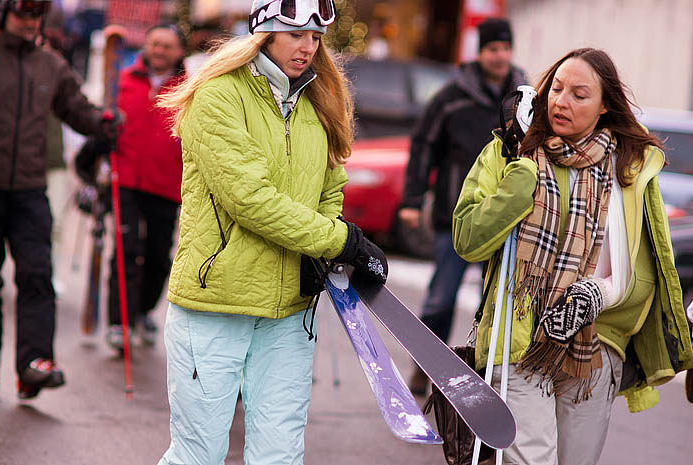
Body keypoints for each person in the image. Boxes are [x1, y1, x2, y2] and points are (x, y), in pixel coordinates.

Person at [154, 0, 387, 463]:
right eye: (296, 35)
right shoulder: (219, 95)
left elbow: (330, 185)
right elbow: (249, 200)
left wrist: (328, 245)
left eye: (317, 38)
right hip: (216, 302)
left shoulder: (317, 99)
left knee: (279, 454)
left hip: (288, 312)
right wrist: (338, 240)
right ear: (265, 32)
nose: (308, 47)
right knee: (199, 454)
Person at [453, 48, 693, 465]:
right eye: (556, 89)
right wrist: (520, 180)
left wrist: (595, 296)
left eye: (579, 94)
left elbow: (647, 277)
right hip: (520, 337)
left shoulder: (630, 172)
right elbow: (468, 240)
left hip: (595, 349)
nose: (561, 101)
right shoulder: (513, 151)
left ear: (605, 107)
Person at [0, 0, 117, 399]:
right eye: (22, 15)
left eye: (35, 16)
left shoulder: (51, 65)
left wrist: (104, 122)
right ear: (2, 14)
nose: (29, 23)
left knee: (37, 275)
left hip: (29, 189)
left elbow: (76, 109)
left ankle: (34, 364)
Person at [398, 17, 527, 395]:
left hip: (506, 218)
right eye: (492, 49)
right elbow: (424, 146)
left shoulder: (524, 98)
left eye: (505, 48)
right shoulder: (451, 96)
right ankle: (425, 365)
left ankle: (486, 376)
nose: (500, 56)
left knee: (495, 303)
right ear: (479, 52)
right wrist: (412, 199)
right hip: (455, 218)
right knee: (442, 297)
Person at [100, 23, 186, 351]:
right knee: (125, 248)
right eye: (154, 44)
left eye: (167, 46)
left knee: (158, 256)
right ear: (145, 46)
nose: (159, 51)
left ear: (178, 51)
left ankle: (143, 311)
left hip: (166, 185)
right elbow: (103, 122)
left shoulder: (188, 89)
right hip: (126, 181)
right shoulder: (121, 82)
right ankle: (119, 322)